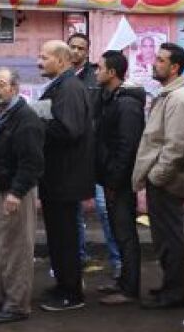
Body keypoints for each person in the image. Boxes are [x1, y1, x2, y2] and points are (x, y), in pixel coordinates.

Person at [133, 43, 184, 310]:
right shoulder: (169, 95)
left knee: (170, 238)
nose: (154, 63)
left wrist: (156, 177)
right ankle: (170, 286)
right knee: (163, 238)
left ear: (174, 67)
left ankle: (175, 293)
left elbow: (176, 147)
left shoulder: (180, 99)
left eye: (161, 60)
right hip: (164, 178)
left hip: (169, 180)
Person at [0, 67, 45, 324]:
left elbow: (32, 162)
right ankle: (11, 296)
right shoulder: (2, 113)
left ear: (15, 88)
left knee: (16, 249)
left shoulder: (25, 118)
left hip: (13, 193)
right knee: (2, 248)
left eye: (2, 84)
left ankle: (18, 305)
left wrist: (16, 193)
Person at [35, 40, 94, 311]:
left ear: (61, 60)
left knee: (65, 237)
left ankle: (71, 293)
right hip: (57, 176)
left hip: (65, 177)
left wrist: (36, 123)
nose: (39, 62)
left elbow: (69, 130)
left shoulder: (69, 88)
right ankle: (63, 285)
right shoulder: (62, 85)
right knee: (58, 237)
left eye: (44, 57)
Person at [93, 51, 146, 306]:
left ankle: (129, 289)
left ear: (112, 73)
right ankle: (123, 281)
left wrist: (114, 181)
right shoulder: (110, 99)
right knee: (118, 231)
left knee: (125, 234)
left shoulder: (126, 104)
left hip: (120, 181)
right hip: (111, 178)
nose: (96, 72)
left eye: (99, 68)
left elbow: (127, 147)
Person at [67, 32, 120, 278]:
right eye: (73, 47)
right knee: (72, 210)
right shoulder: (62, 77)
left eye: (81, 48)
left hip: (94, 154)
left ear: (87, 52)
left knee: (104, 208)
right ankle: (78, 258)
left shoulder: (95, 77)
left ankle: (119, 262)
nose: (76, 51)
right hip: (71, 156)